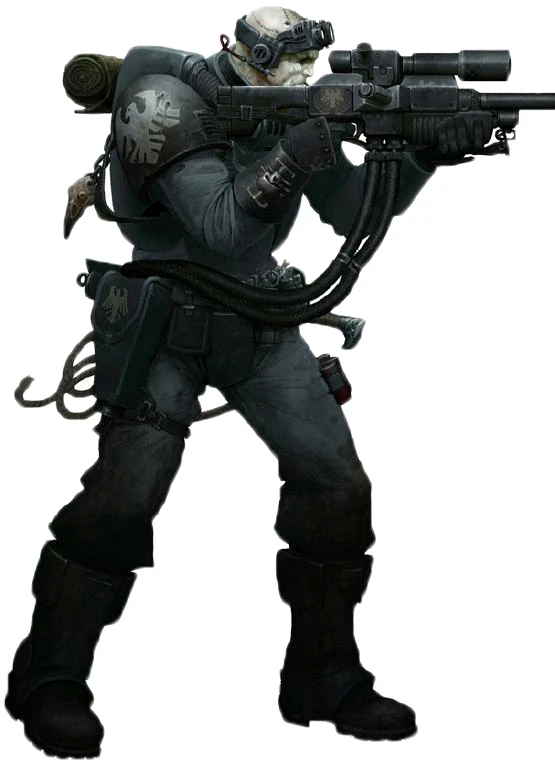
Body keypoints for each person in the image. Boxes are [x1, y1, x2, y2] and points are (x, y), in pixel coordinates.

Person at [5, 6, 488, 758]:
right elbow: (222, 227)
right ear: (242, 55)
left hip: (259, 319)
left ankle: (322, 675)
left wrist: (420, 152)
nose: (303, 77)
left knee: (336, 486)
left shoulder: (288, 108)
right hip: (162, 324)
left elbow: (355, 210)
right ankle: (49, 677)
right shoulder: (160, 104)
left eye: (308, 65)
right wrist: (299, 145)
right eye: (288, 65)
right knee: (125, 497)